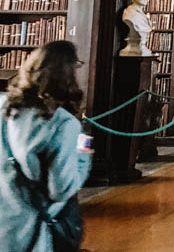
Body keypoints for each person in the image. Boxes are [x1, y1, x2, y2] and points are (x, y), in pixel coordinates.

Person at [0, 41, 93, 251]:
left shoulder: (3, 107)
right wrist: (84, 153)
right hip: (32, 231)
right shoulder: (62, 124)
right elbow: (61, 189)